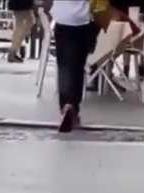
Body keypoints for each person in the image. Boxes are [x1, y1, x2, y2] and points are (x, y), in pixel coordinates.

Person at [48, 0, 107, 133]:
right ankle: (74, 106)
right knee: (78, 66)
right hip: (83, 20)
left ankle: (66, 105)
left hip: (62, 19)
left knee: (64, 66)